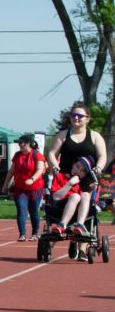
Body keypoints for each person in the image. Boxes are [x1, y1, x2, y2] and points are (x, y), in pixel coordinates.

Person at [47, 101, 108, 238]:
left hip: (86, 180)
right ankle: (62, 225)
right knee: (72, 198)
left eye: (80, 116)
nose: (76, 118)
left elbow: (102, 156)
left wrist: (98, 168)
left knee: (85, 198)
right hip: (66, 179)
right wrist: (54, 165)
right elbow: (51, 153)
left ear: (87, 119)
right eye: (73, 115)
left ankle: (80, 243)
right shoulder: (63, 135)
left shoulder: (94, 136)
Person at [44, 156, 97, 242]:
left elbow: (87, 202)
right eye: (78, 166)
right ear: (73, 165)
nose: (78, 170)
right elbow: (56, 197)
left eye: (83, 170)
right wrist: (69, 184)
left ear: (84, 175)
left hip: (77, 213)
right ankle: (62, 225)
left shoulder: (82, 184)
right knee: (75, 196)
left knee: (85, 195)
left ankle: (80, 225)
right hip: (60, 207)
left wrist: (91, 190)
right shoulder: (60, 176)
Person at [5, 135, 47, 241]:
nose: (19, 145)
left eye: (21, 143)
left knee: (34, 211)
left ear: (28, 144)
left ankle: (35, 233)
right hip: (20, 188)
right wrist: (5, 184)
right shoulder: (17, 155)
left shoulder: (37, 155)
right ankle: (22, 234)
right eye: (18, 143)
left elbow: (40, 169)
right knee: (21, 209)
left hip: (35, 189)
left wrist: (32, 179)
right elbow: (11, 171)